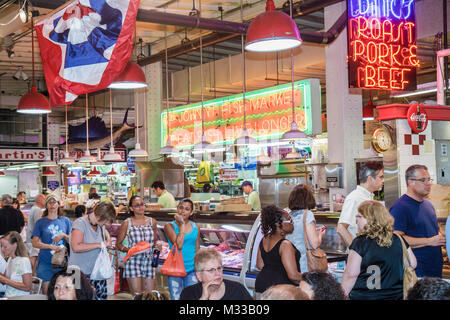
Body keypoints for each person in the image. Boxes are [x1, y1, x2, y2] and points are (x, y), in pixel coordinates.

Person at [341, 200, 417, 300]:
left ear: (370, 219)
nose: (356, 220)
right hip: (396, 296)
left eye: (359, 216)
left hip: (366, 297)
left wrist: (340, 295)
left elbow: (351, 275)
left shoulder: (360, 242)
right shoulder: (398, 239)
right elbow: (413, 263)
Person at [390, 165, 445, 278]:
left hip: (434, 270)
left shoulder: (428, 204)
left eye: (429, 179)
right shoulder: (400, 207)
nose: (428, 183)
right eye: (423, 180)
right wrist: (429, 241)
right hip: (416, 273)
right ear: (410, 182)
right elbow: (396, 239)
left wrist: (442, 236)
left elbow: (431, 231)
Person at [69, 201, 116, 300]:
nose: (107, 224)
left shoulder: (100, 225)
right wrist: (100, 244)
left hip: (97, 273)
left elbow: (104, 234)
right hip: (78, 273)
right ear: (100, 217)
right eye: (107, 221)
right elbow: (76, 247)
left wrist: (107, 240)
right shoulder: (80, 223)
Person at [116, 195, 159, 296]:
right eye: (137, 205)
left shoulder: (152, 222)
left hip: (149, 261)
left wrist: (157, 247)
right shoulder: (127, 223)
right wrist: (129, 250)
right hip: (133, 261)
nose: (141, 207)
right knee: (137, 295)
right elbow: (118, 244)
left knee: (150, 295)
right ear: (131, 208)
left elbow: (154, 241)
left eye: (142, 204)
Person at [255, 205, 302, 296]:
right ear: (278, 224)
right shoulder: (285, 245)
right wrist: (311, 277)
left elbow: (260, 265)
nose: (293, 223)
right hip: (279, 292)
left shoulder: (264, 239)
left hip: (261, 286)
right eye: (290, 220)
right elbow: (293, 276)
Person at [337, 161, 384, 248]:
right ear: (370, 179)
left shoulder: (368, 197)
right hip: (361, 257)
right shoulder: (354, 198)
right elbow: (341, 228)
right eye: (381, 177)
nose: (383, 180)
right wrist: (356, 251)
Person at [32, 195, 72, 295]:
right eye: (49, 202)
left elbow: (72, 240)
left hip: (61, 263)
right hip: (45, 262)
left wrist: (63, 235)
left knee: (61, 293)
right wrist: (50, 246)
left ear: (59, 204)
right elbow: (34, 243)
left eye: (54, 202)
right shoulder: (40, 222)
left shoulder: (65, 221)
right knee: (46, 292)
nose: (52, 204)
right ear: (46, 205)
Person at [179, 248, 253, 300]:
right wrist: (203, 298)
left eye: (219, 268)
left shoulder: (237, 290)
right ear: (199, 276)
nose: (217, 273)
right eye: (211, 270)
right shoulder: (189, 294)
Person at [164, 198, 200, 300]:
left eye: (187, 209)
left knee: (191, 298)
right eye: (181, 208)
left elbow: (197, 248)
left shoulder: (196, 227)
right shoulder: (169, 226)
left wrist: (199, 268)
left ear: (191, 212)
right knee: (176, 298)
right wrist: (182, 224)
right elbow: (179, 245)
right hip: (175, 269)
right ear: (177, 209)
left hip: (192, 269)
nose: (183, 211)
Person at [285, 184, 326, 272]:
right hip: (304, 263)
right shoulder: (307, 215)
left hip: (290, 264)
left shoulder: (289, 215)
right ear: (309, 198)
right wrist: (321, 235)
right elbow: (315, 243)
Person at [0, 231, 32, 298]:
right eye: (1, 246)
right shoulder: (10, 260)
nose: (2, 249)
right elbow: (3, 281)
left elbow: (27, 287)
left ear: (15, 245)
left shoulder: (24, 261)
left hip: (19, 297)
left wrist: (5, 280)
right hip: (8, 296)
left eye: (5, 247)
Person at [25, 194, 46, 276]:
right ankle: (32, 276)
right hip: (34, 239)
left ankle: (32, 275)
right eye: (44, 199)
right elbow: (38, 225)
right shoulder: (37, 210)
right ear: (40, 200)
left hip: (30, 237)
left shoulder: (34, 208)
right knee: (34, 258)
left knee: (33, 257)